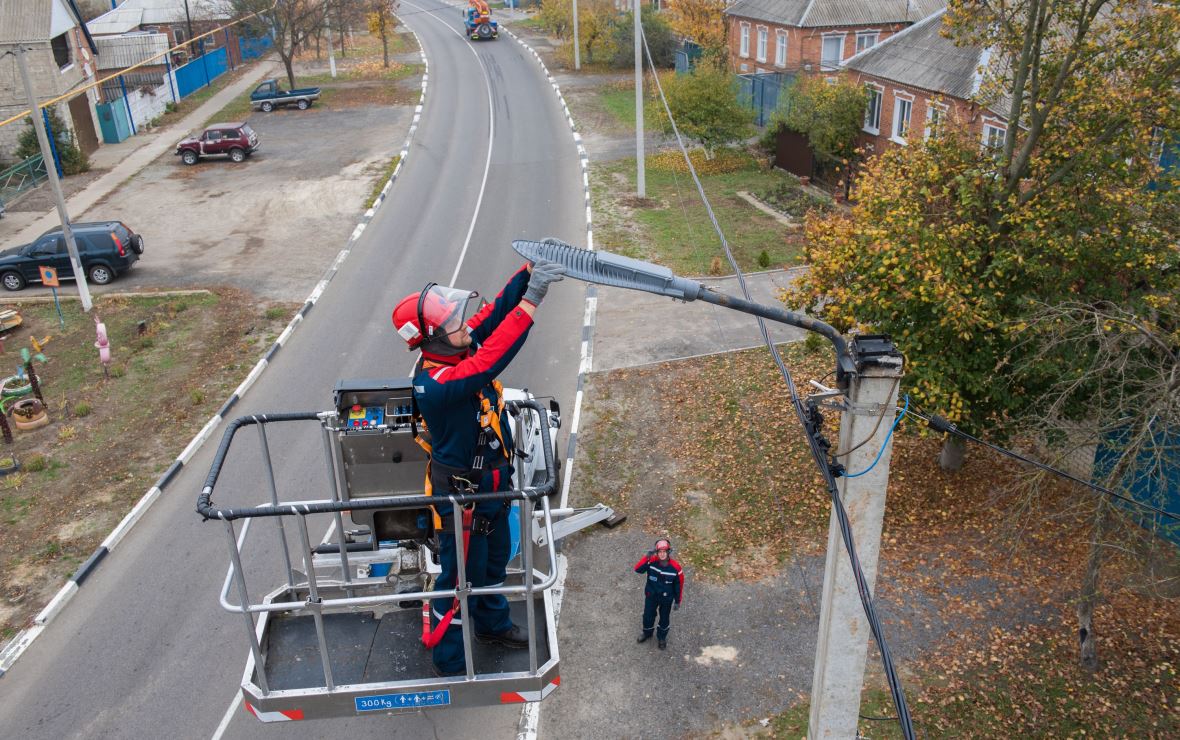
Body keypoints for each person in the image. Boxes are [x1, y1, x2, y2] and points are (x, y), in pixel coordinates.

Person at [391, 258, 566, 676]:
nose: (464, 325)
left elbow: (489, 320)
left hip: (490, 487)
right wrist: (534, 300)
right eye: (454, 323)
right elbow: (491, 359)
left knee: (492, 564)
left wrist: (526, 274)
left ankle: (492, 625)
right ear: (434, 339)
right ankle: (448, 659)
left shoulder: (453, 352)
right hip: (461, 499)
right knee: (457, 579)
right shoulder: (435, 383)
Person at [634, 537, 684, 650]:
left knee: (664, 618)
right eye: (659, 552)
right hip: (651, 596)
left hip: (666, 599)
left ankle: (662, 637)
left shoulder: (676, 568)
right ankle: (647, 633)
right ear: (656, 552)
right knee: (648, 616)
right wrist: (647, 556)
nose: (662, 554)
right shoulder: (651, 562)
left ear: (668, 552)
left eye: (664, 552)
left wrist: (677, 601)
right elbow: (637, 569)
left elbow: (679, 586)